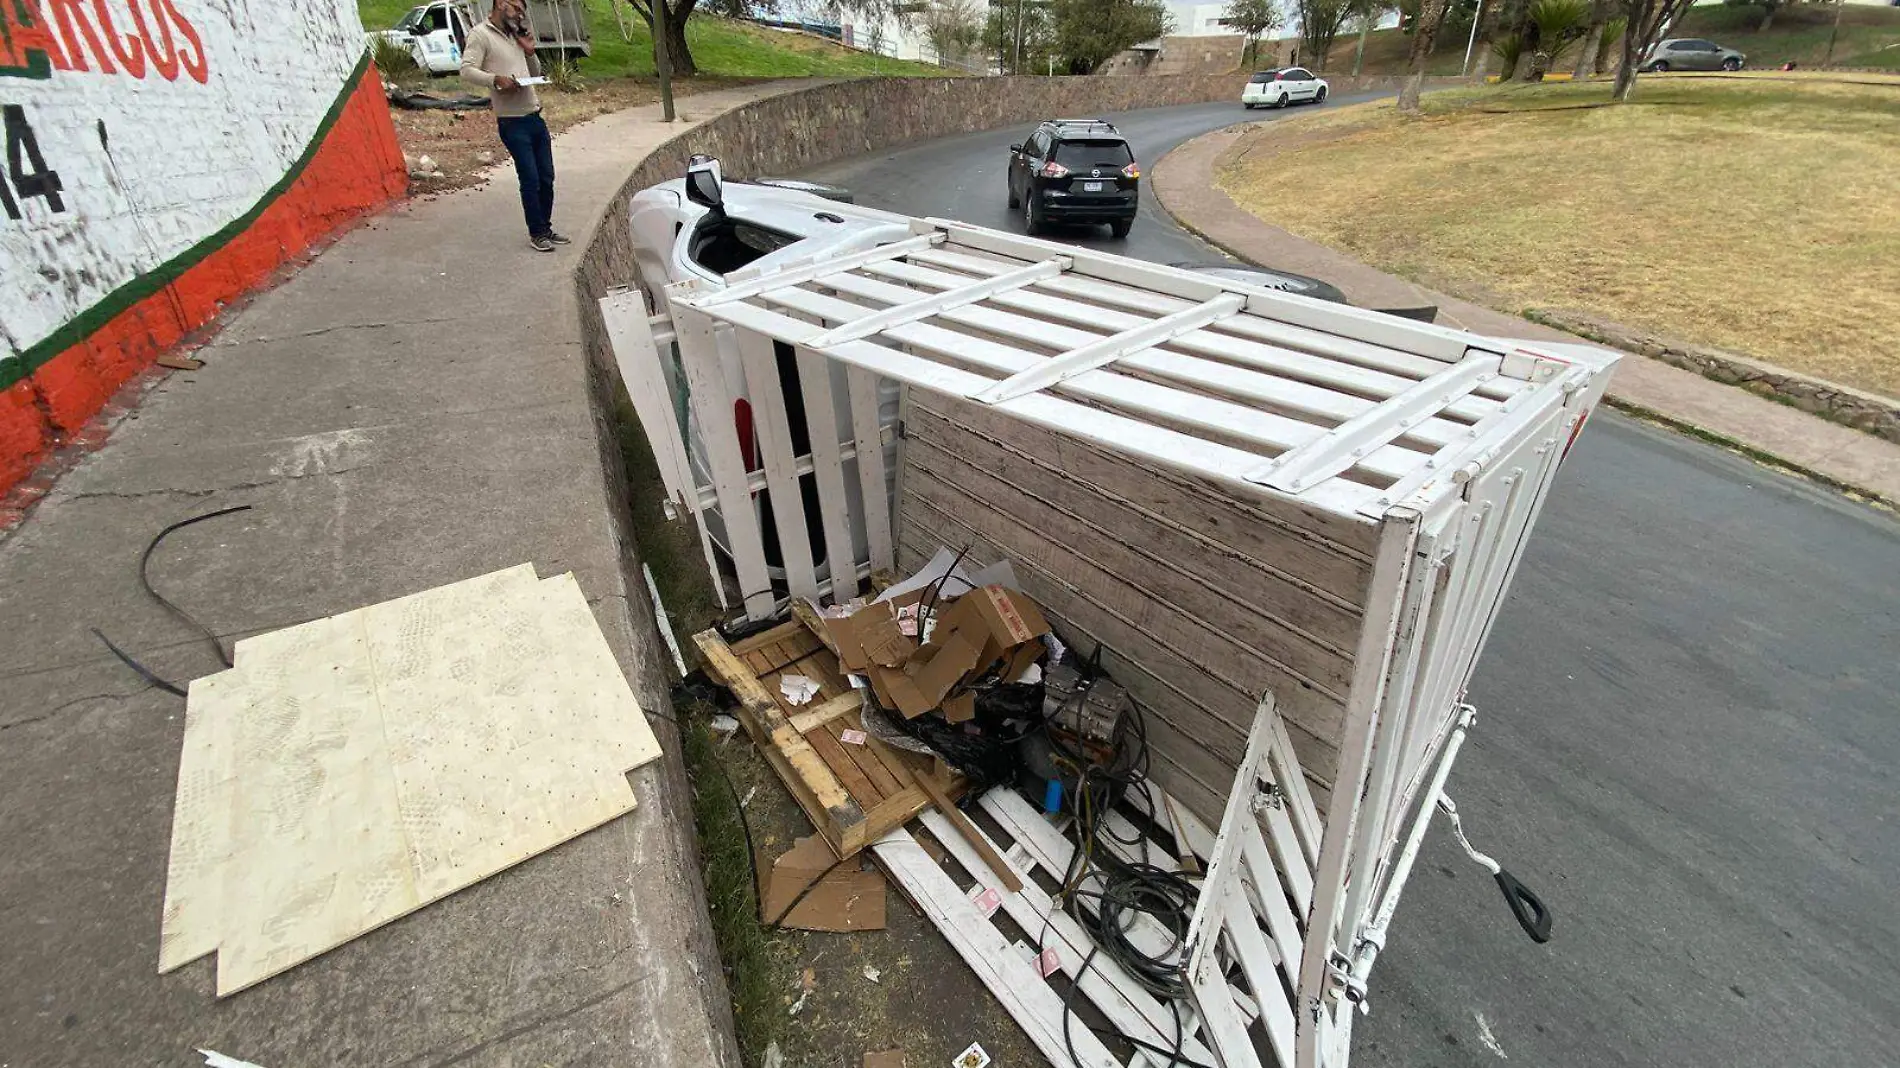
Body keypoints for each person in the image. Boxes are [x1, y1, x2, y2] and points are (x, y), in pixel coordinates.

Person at [461, 0, 568, 252]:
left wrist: (530, 52)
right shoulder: (481, 35)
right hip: (512, 121)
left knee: (546, 176)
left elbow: (535, 71)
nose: (520, 14)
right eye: (516, 8)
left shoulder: (515, 36)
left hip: (534, 115)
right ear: (500, 4)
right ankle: (537, 233)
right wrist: (495, 80)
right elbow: (466, 70)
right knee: (530, 178)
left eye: (522, 11)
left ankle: (546, 227)